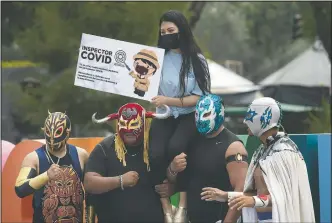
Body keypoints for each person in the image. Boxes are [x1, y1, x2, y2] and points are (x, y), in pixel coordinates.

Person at [149, 10, 211, 222]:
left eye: (171, 30)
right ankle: (165, 205)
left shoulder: (197, 60)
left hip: (188, 114)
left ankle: (183, 203)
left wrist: (168, 101)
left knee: (176, 147)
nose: (166, 34)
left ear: (181, 31)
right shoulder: (156, 58)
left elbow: (199, 97)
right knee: (155, 152)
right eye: (163, 31)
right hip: (163, 115)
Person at [224, 97, 315, 222]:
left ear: (263, 117)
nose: (245, 121)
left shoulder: (284, 152)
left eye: (251, 115)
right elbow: (254, 194)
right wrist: (224, 196)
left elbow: (284, 198)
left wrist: (253, 201)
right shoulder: (261, 152)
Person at [84, 103, 175, 223]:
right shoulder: (104, 148)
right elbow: (89, 183)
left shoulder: (156, 147)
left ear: (144, 123)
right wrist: (120, 180)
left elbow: (175, 175)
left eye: (134, 124)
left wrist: (173, 187)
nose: (128, 130)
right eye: (123, 124)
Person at [166, 94, 249, 223]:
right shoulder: (192, 141)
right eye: (198, 115)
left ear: (218, 113)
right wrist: (173, 168)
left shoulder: (233, 146)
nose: (201, 120)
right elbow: (177, 181)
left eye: (205, 115)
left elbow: (241, 191)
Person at [14, 111, 89, 223]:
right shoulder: (33, 158)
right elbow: (20, 188)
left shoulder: (81, 155)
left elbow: (92, 191)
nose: (53, 139)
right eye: (49, 132)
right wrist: (46, 176)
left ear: (67, 132)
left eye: (58, 132)